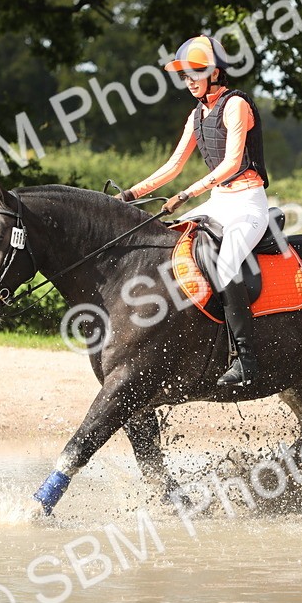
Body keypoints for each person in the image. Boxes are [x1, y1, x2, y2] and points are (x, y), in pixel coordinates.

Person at [117, 34, 269, 387]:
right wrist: (129, 194)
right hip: (219, 201)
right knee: (169, 246)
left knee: (228, 262)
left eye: (195, 73)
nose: (189, 81)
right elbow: (173, 166)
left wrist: (185, 195)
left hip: (247, 201)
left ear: (216, 73)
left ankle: (246, 358)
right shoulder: (198, 114)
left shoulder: (236, 106)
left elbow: (232, 163)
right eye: (184, 76)